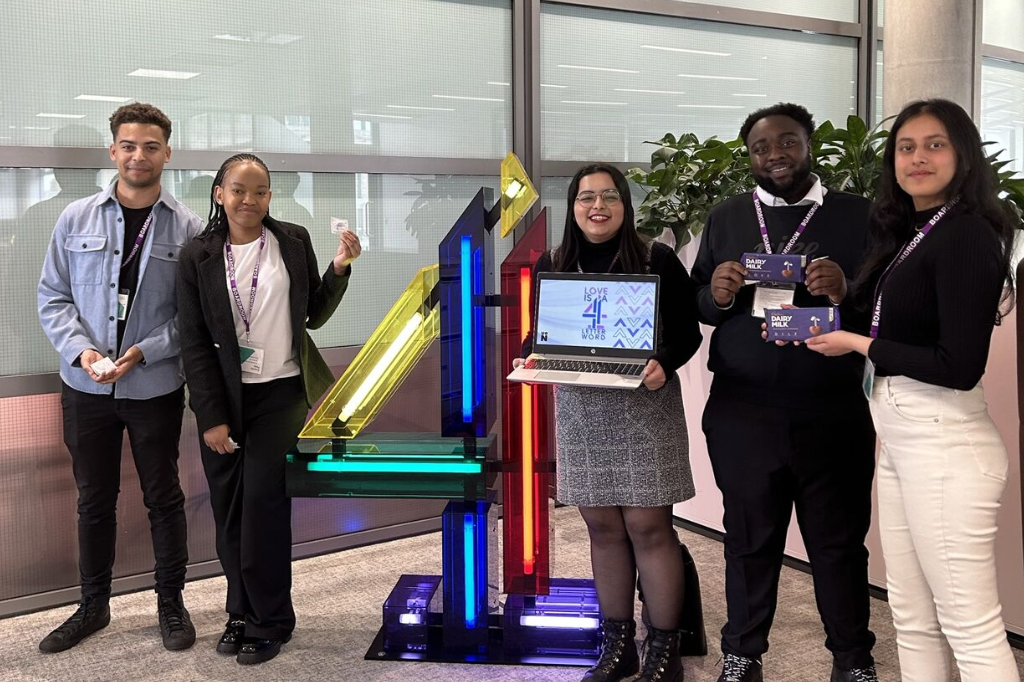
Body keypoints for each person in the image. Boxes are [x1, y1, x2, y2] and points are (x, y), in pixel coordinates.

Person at [805, 98, 1021, 682]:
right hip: (903, 441)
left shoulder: (968, 235)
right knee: (911, 616)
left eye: (934, 145)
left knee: (969, 625)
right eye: (906, 147)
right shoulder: (916, 231)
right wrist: (838, 309)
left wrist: (854, 343)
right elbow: (891, 322)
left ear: (964, 157)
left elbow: (958, 365)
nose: (917, 158)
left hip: (946, 444)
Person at [691, 103, 878, 682]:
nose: (775, 155)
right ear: (749, 155)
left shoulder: (859, 215)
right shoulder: (726, 217)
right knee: (748, 540)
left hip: (832, 411)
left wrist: (848, 289)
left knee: (838, 545)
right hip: (743, 411)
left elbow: (883, 305)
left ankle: (853, 661)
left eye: (787, 143)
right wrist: (717, 296)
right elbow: (696, 300)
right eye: (761, 147)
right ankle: (743, 655)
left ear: (809, 144)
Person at [515, 163, 702, 682]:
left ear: (625, 204)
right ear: (574, 207)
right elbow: (542, 334)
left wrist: (663, 360)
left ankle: (665, 652)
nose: (597, 207)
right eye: (586, 198)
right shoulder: (556, 261)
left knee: (648, 525)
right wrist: (533, 355)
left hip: (645, 406)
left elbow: (687, 333)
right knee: (601, 526)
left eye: (609, 197)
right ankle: (618, 646)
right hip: (582, 407)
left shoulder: (657, 257)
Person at [176, 153, 359, 665]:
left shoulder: (293, 240)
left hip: (281, 393)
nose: (249, 200)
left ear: (270, 197)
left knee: (263, 505)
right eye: (239, 190)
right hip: (225, 399)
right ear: (219, 193)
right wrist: (209, 416)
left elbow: (315, 315)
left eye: (260, 191)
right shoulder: (197, 256)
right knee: (228, 509)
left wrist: (340, 267)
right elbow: (192, 341)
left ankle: (271, 619)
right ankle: (240, 611)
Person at [37, 103, 202, 653]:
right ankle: (92, 606)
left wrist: (143, 351)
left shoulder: (190, 227)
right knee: (93, 499)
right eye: (129, 145)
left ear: (167, 153)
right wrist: (83, 352)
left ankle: (171, 604)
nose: (139, 155)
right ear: (113, 151)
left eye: (151, 146)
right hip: (85, 387)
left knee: (163, 497)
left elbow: (195, 314)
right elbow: (52, 297)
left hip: (153, 385)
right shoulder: (75, 218)